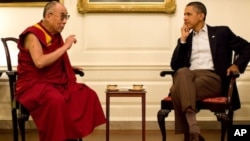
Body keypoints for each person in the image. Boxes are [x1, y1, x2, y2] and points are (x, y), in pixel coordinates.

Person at [15, 1, 106, 141]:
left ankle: (71, 136)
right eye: (62, 17)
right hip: (33, 85)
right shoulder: (33, 35)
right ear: (49, 16)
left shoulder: (54, 34)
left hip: (54, 82)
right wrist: (66, 46)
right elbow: (39, 62)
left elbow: (53, 59)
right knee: (56, 100)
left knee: (86, 94)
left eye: (66, 17)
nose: (64, 22)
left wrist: (67, 67)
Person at [170, 1, 250, 141]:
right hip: (188, 77)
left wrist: (236, 65)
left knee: (178, 90)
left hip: (212, 78)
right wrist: (182, 40)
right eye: (184, 14)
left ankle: (189, 135)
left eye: (188, 14)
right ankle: (194, 130)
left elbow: (247, 48)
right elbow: (175, 66)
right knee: (182, 72)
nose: (184, 18)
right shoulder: (185, 39)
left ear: (201, 16)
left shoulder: (221, 32)